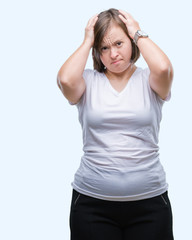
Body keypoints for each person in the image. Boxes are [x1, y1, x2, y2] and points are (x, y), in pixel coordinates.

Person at [57, 8, 174, 240]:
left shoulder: (149, 80)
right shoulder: (88, 82)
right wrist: (88, 40)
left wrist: (136, 31)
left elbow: (163, 68)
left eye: (119, 43)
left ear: (132, 42)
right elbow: (65, 80)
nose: (113, 54)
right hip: (92, 205)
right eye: (104, 47)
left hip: (150, 203)